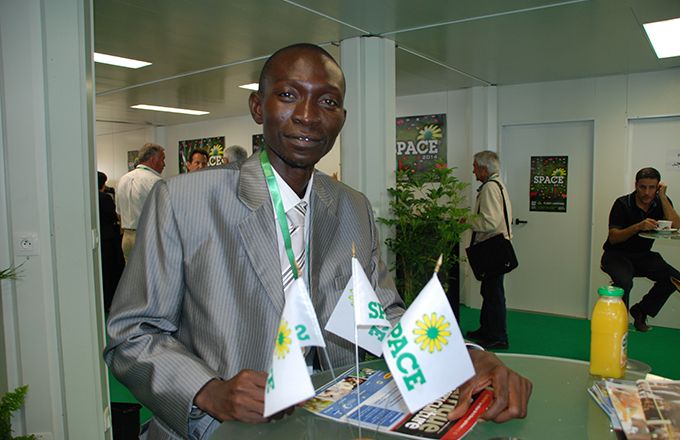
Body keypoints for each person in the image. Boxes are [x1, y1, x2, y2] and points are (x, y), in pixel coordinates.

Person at [104, 44, 531, 440]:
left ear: (341, 116)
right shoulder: (185, 202)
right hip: (221, 430)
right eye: (288, 95)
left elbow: (382, 318)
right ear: (258, 107)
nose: (308, 115)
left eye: (327, 101)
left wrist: (465, 357)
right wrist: (208, 391)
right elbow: (131, 334)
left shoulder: (353, 208)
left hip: (330, 424)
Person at [601, 167, 680, 332]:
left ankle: (641, 311)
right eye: (643, 187)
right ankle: (619, 326)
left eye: (652, 187)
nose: (647, 192)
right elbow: (614, 238)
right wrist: (638, 226)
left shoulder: (661, 202)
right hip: (616, 255)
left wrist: (663, 197)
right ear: (636, 185)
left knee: (674, 279)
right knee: (624, 283)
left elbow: (677, 226)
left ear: (658, 187)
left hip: (643, 256)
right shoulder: (622, 203)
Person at [465, 151, 512, 350]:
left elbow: (490, 221)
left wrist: (466, 220)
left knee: (494, 294)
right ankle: (486, 330)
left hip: (492, 248)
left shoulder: (489, 188)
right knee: (490, 291)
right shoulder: (496, 185)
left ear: (484, 169)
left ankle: (498, 336)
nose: (473, 170)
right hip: (496, 248)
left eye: (475, 166)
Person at [115, 143, 165, 261]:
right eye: (162, 159)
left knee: (132, 276)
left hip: (127, 237)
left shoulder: (123, 180)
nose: (164, 164)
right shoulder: (157, 182)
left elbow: (118, 213)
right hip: (148, 236)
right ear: (153, 160)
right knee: (152, 275)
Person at [97, 171, 125, 312]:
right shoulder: (105, 198)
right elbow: (113, 216)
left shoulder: (91, 197)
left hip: (100, 239)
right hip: (110, 239)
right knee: (113, 270)